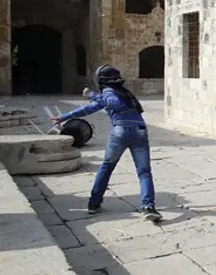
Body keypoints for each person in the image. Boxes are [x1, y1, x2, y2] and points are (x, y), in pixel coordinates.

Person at [52, 65, 161, 222]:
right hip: (139, 131)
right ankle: (148, 206)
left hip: (121, 131)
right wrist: (64, 117)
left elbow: (112, 102)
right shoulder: (122, 93)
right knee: (144, 172)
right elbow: (88, 109)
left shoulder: (109, 93)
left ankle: (94, 203)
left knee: (107, 167)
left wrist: (91, 94)